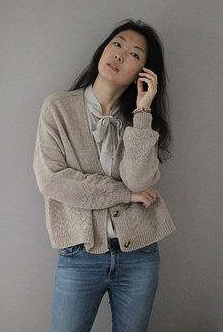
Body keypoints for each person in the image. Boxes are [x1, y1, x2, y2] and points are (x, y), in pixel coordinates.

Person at [32, 18, 176, 332]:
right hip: (79, 253)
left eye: (135, 54)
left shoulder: (139, 120)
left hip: (139, 253)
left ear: (143, 72)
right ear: (104, 49)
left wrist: (142, 113)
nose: (121, 55)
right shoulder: (57, 107)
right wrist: (125, 194)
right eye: (117, 44)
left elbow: (140, 182)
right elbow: (53, 180)